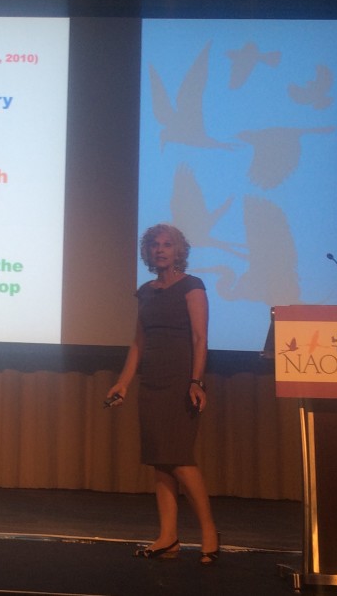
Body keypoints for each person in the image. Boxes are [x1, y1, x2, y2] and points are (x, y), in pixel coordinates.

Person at [107, 223, 220, 566]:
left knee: (180, 459)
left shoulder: (192, 286)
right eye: (154, 245)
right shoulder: (145, 291)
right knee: (161, 461)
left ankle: (210, 533)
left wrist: (196, 381)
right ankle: (168, 537)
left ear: (178, 251)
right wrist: (123, 383)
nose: (160, 249)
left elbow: (200, 338)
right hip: (152, 382)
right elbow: (138, 343)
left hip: (180, 382)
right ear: (147, 251)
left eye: (167, 244)